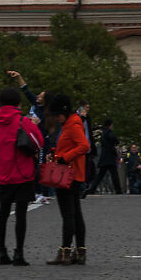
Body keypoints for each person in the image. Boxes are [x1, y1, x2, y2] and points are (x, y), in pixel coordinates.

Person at [0, 87, 40, 265]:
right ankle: (19, 253)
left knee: (3, 213)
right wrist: (34, 125)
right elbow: (39, 141)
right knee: (20, 215)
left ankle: (1, 252)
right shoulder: (22, 121)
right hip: (22, 173)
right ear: (18, 103)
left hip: (4, 173)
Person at [43, 92, 90, 265]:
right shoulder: (72, 123)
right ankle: (80, 251)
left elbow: (84, 146)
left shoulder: (72, 125)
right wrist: (56, 153)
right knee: (75, 214)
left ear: (64, 112)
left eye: (58, 114)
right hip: (74, 174)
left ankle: (65, 252)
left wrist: (64, 157)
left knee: (68, 215)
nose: (56, 118)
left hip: (67, 175)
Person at [94, 116, 123, 195]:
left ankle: (92, 188)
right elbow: (114, 139)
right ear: (110, 125)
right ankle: (118, 190)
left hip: (104, 157)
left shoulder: (103, 133)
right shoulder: (109, 132)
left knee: (100, 175)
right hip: (110, 157)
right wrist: (115, 143)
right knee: (114, 175)